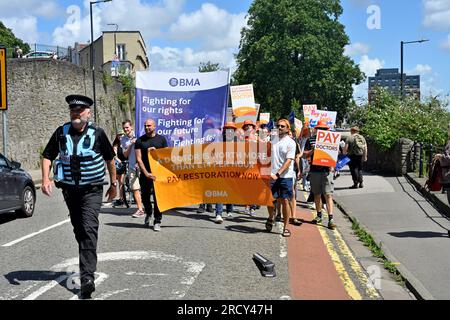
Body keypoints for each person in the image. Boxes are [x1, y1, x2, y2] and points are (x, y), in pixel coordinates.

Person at [41, 94, 117, 299]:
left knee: (89, 228)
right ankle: (86, 258)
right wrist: (46, 179)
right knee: (79, 228)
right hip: (69, 191)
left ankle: (87, 277)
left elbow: (110, 159)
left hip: (92, 190)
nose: (76, 113)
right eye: (73, 110)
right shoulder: (61, 133)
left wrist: (114, 184)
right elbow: (47, 155)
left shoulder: (98, 134)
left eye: (80, 110)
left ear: (88, 113)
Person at [265, 119, 297, 237]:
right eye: (277, 125)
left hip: (285, 176)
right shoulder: (272, 140)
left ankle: (286, 227)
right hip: (271, 175)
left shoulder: (291, 142)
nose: (279, 127)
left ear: (288, 129)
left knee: (285, 201)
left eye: (282, 126)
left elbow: (289, 161)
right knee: (270, 199)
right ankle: (270, 217)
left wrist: (278, 174)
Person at [135, 118, 168, 231]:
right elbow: (139, 159)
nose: (146, 128)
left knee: (158, 198)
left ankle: (157, 221)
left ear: (154, 126)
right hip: (145, 173)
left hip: (158, 174)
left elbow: (166, 158)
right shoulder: (140, 141)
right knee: (145, 197)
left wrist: (156, 153)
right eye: (145, 126)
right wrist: (146, 173)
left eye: (149, 125)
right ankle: (148, 213)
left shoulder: (161, 140)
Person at [303, 120, 336, 229]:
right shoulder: (310, 140)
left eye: (324, 129)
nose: (322, 131)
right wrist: (312, 150)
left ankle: (331, 218)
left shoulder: (331, 139)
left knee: (328, 194)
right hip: (314, 170)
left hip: (327, 171)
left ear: (327, 130)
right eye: (320, 129)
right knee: (317, 194)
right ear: (317, 129)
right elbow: (304, 154)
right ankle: (319, 215)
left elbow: (338, 153)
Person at [120, 120, 145, 218]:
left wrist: (140, 163)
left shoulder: (140, 135)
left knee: (146, 188)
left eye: (127, 127)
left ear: (131, 127)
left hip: (142, 165)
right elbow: (125, 154)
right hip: (131, 166)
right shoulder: (123, 139)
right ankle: (140, 209)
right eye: (124, 128)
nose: (126, 129)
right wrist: (130, 144)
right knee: (135, 188)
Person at [111, 131, 126, 207]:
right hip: (120, 163)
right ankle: (121, 198)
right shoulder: (116, 145)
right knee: (121, 182)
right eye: (119, 135)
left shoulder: (127, 142)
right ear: (117, 136)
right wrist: (119, 161)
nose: (121, 136)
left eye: (122, 134)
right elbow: (115, 155)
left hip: (129, 162)